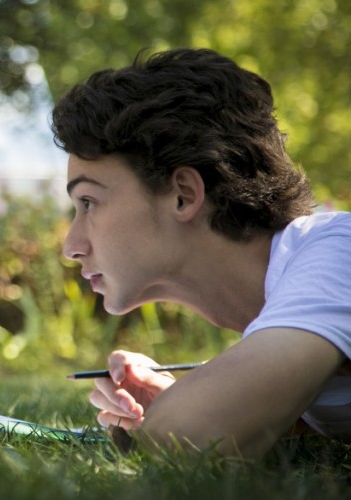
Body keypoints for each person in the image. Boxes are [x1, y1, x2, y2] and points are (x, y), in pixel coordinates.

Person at [51, 48, 351, 459]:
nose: (71, 247)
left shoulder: (339, 251)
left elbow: (190, 435)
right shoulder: (294, 295)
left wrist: (192, 412)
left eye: (88, 202)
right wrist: (185, 399)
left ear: (184, 194)